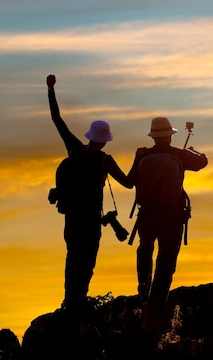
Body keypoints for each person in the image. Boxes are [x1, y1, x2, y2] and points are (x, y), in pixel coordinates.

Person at [47, 74, 134, 315]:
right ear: (105, 140)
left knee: (71, 259)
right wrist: (139, 160)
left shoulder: (74, 149)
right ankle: (77, 305)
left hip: (71, 216)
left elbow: (57, 119)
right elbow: (128, 183)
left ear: (89, 136)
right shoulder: (105, 160)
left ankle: (68, 302)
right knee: (86, 265)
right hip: (92, 220)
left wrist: (51, 89)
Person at [129, 117, 208, 327]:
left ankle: (143, 293)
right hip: (172, 216)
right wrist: (192, 151)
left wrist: (138, 158)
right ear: (170, 135)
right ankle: (157, 303)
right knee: (166, 261)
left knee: (145, 249)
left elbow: (131, 181)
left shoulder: (144, 154)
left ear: (153, 136)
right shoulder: (178, 154)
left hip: (146, 215)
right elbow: (202, 162)